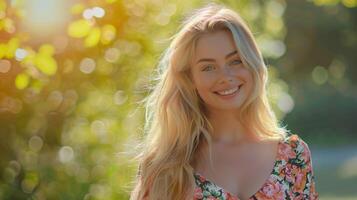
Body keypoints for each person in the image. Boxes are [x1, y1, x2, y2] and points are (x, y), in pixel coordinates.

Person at [130, 3, 318, 200]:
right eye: (208, 67)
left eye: (235, 61)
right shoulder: (165, 167)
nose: (225, 76)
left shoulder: (293, 156)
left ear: (252, 64)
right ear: (190, 78)